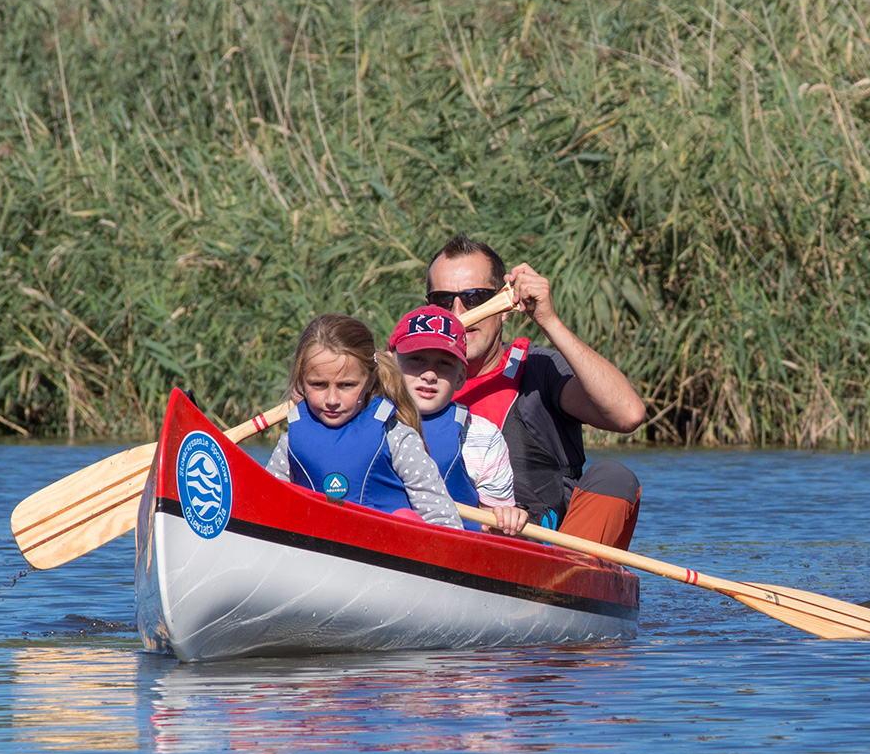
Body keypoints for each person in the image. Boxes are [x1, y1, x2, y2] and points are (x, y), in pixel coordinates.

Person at [422, 233, 645, 549]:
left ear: (502, 306)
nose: (458, 314)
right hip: (446, 540)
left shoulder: (538, 368)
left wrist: (548, 320)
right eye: (444, 302)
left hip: (541, 551)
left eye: (475, 298)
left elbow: (629, 414)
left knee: (614, 476)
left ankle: (569, 583)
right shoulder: (408, 382)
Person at [265, 313, 463, 529]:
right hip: (314, 544)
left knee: (408, 518)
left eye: (346, 385)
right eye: (318, 385)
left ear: (370, 382)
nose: (332, 400)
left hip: (389, 551)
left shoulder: (395, 437)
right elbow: (266, 506)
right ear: (301, 382)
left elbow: (443, 519)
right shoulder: (290, 442)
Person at [387, 304, 529, 536]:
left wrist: (506, 519)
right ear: (391, 364)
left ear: (461, 377)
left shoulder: (483, 438)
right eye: (417, 359)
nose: (430, 374)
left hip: (454, 548)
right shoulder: (359, 418)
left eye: (444, 364)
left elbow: (493, 528)